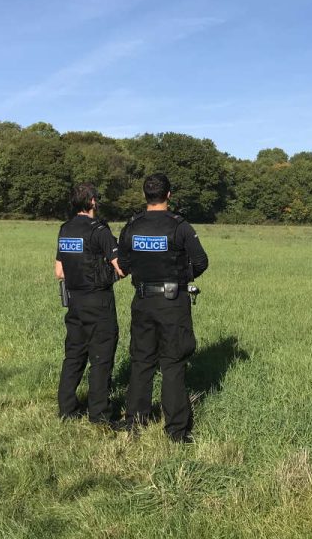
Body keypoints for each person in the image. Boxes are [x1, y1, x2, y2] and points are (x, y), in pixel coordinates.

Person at [116, 173, 209, 443]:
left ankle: (135, 420)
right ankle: (176, 431)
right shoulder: (180, 226)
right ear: (169, 195)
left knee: (141, 360)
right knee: (173, 362)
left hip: (143, 300)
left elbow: (123, 262)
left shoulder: (131, 226)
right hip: (173, 303)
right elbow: (201, 261)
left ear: (145, 195)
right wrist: (181, 277)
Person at [54, 182, 120, 425]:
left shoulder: (65, 228)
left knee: (73, 354)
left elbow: (59, 271)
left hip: (74, 301)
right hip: (98, 301)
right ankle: (99, 414)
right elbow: (120, 266)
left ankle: (67, 409)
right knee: (101, 356)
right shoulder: (99, 230)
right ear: (93, 201)